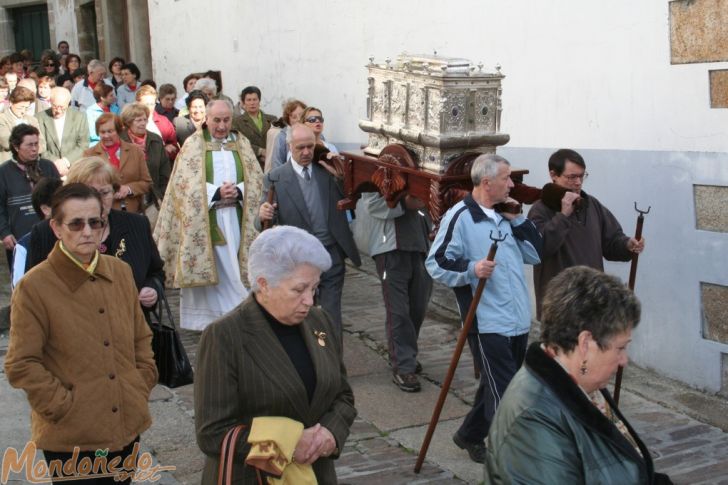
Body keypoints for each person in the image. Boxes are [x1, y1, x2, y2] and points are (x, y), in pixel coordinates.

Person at [4, 183, 158, 485]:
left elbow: (141, 337)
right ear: (57, 228)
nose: (87, 231)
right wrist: (64, 407)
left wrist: (140, 383)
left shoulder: (120, 272)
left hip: (126, 426)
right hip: (72, 440)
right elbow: (21, 364)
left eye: (95, 222)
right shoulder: (34, 287)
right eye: (76, 223)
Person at [194, 225, 356, 484]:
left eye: (314, 288)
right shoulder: (225, 336)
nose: (309, 300)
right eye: (299, 289)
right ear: (264, 285)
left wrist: (331, 433)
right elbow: (212, 433)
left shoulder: (319, 321)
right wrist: (287, 446)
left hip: (317, 475)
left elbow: (342, 395)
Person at [484, 266, 672, 484]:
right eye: (620, 348)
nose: (624, 361)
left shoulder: (581, 384)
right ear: (585, 343)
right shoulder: (533, 421)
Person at [425, 153, 542, 463]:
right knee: (506, 392)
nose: (513, 184)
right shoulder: (460, 216)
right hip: (486, 321)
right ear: (487, 182)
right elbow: (435, 262)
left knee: (498, 385)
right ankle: (512, 460)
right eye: (507, 178)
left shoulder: (505, 214)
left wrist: (519, 221)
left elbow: (535, 254)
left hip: (517, 319)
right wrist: (471, 268)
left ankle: (469, 435)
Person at [155, 99, 263, 331]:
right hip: (207, 220)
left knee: (235, 268)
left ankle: (240, 316)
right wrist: (215, 192)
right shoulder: (194, 145)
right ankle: (211, 320)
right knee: (216, 270)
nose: (222, 126)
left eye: (226, 120)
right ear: (207, 119)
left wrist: (239, 190)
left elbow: (256, 180)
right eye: (217, 120)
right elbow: (183, 186)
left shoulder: (241, 143)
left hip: (236, 217)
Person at [258, 124, 361, 339]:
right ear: (289, 147)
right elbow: (263, 222)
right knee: (303, 312)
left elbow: (352, 197)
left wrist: (340, 173)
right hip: (299, 258)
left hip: (331, 252)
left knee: (332, 314)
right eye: (300, 148)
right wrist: (263, 214)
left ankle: (333, 362)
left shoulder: (327, 170)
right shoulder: (276, 178)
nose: (306, 153)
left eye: (310, 147)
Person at [27, 156, 164, 313]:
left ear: (114, 191)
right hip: (72, 330)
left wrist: (152, 288)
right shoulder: (47, 231)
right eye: (89, 193)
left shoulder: (137, 225)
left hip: (130, 328)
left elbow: (156, 272)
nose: (98, 201)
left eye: (104, 193)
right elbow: (34, 289)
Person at [528, 148, 645, 318]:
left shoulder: (592, 205)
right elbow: (539, 249)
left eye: (582, 176)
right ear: (553, 175)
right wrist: (563, 215)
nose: (578, 182)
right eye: (572, 177)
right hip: (560, 306)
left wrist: (628, 244)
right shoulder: (540, 210)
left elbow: (611, 241)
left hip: (593, 301)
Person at [357, 192, 433, 392]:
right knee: (398, 311)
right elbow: (372, 203)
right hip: (390, 250)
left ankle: (405, 354)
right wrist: (405, 203)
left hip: (421, 247)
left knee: (418, 307)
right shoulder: (380, 165)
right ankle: (403, 365)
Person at [0, 124, 60, 266]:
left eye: (36, 144)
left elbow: (61, 198)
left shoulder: (48, 167)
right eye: (29, 145)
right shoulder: (4, 172)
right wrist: (4, 233)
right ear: (16, 147)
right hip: (18, 238)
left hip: (50, 235)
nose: (34, 149)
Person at [84, 113, 152, 214]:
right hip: (103, 213)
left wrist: (128, 189)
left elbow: (147, 183)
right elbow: (85, 187)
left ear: (119, 131)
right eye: (102, 132)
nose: (106, 135)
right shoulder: (89, 155)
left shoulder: (135, 151)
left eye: (110, 131)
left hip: (133, 212)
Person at [12, 176, 62, 287]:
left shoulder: (72, 236)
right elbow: (18, 288)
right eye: (61, 203)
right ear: (45, 209)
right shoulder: (24, 245)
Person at [119, 102, 170, 203]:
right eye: (138, 120)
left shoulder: (156, 140)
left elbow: (165, 172)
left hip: (154, 197)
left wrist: (161, 195)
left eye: (145, 119)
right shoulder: (120, 140)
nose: (143, 123)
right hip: (128, 198)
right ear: (129, 122)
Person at [36, 87, 90, 176]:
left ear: (68, 104)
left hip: (73, 169)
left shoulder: (79, 117)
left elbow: (83, 145)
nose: (58, 110)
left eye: (62, 107)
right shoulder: (39, 118)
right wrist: (56, 162)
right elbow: (40, 146)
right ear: (50, 101)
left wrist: (65, 161)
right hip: (48, 169)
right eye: (55, 106)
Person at [231, 86, 277, 166]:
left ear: (259, 100)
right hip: (250, 164)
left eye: (255, 99)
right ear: (243, 102)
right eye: (248, 100)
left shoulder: (272, 119)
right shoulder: (237, 122)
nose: (252, 103)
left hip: (272, 163)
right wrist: (260, 151)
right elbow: (237, 142)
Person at [0, 86, 46, 161]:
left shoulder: (32, 120)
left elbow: (42, 144)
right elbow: (7, 142)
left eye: (26, 108)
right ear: (11, 103)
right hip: (9, 164)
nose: (23, 111)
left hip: (31, 165)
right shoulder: (2, 119)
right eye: (20, 107)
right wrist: (32, 145)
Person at [135, 85, 178, 160]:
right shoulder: (128, 122)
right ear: (137, 103)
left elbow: (174, 147)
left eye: (151, 104)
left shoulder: (164, 121)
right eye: (145, 104)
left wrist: (168, 149)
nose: (148, 107)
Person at [269, 98, 306, 170]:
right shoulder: (282, 137)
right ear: (288, 121)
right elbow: (277, 164)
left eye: (301, 115)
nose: (298, 119)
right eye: (294, 117)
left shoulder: (316, 134)